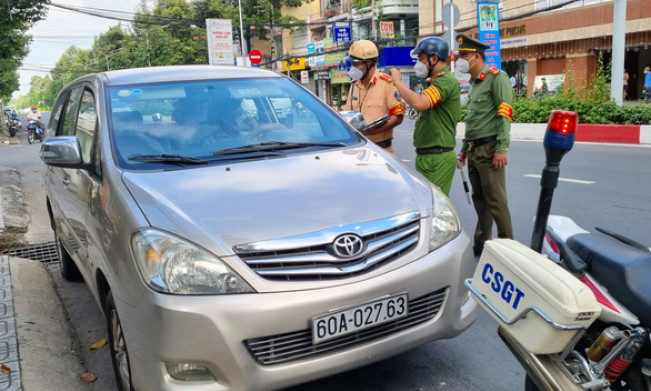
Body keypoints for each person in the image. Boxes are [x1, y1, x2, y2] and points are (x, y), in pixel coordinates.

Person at [455, 34, 514, 256]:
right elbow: (474, 121)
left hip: (490, 149)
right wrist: (463, 150)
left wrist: (502, 148)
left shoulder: (497, 78)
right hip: (474, 148)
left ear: (476, 57)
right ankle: (482, 242)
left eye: (463, 56)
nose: (460, 60)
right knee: (480, 200)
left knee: (497, 202)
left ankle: (509, 249)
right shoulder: (474, 84)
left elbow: (505, 114)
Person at [389, 37, 460, 196]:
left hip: (438, 157)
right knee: (426, 203)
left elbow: (420, 103)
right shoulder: (435, 82)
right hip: (429, 156)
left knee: (434, 205)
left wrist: (399, 83)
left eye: (421, 59)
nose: (418, 64)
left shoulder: (445, 81)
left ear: (434, 58)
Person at [341, 40, 406, 153]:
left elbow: (398, 116)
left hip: (381, 150)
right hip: (357, 150)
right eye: (351, 64)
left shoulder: (387, 83)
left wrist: (374, 131)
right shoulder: (354, 85)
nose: (353, 67)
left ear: (369, 64)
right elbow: (347, 115)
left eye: (356, 64)